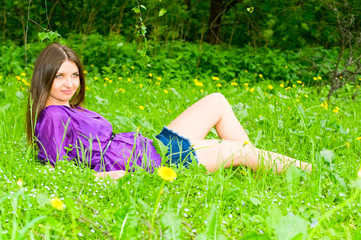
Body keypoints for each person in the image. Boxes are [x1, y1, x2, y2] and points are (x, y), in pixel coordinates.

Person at [26, 43, 312, 180]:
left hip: (153, 147)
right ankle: (309, 174)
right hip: (150, 165)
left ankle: (261, 168)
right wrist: (115, 178)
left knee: (216, 101)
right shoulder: (53, 116)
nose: (69, 83)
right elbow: (56, 172)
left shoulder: (69, 109)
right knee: (240, 150)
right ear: (45, 76)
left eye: (74, 75)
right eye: (60, 76)